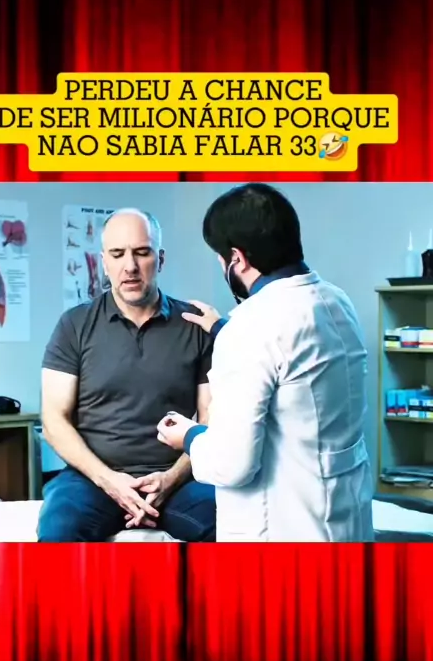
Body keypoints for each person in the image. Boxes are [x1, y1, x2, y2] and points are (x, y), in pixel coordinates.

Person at [157, 183, 374, 542]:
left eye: (221, 258)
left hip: (283, 533)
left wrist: (189, 436)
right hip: (345, 521)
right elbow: (298, 366)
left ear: (237, 259)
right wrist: (223, 329)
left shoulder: (251, 327)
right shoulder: (336, 301)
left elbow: (232, 464)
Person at [38, 208, 216, 542]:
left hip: (177, 480)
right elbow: (53, 421)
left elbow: (211, 418)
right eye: (118, 254)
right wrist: (109, 480)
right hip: (91, 480)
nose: (130, 266)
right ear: (104, 262)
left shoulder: (194, 325)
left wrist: (172, 478)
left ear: (160, 259)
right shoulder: (74, 325)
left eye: (142, 252)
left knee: (228, 525)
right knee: (59, 531)